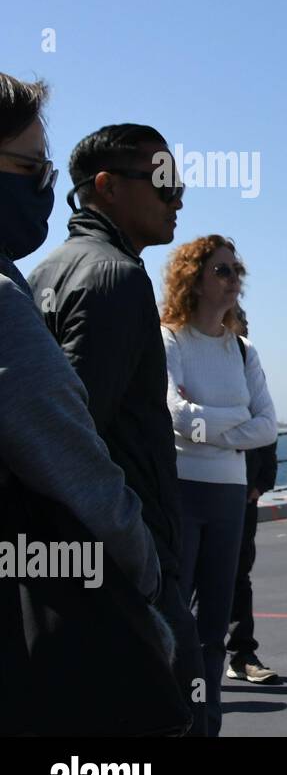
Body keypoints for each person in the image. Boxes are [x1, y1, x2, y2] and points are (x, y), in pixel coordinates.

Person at [0, 74, 189, 735]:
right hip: (99, 570)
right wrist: (146, 574)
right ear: (108, 186)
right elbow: (75, 445)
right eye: (163, 182)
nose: (177, 199)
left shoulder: (42, 272)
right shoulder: (113, 278)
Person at [161, 236, 278, 734]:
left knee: (213, 621)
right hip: (183, 489)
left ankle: (208, 721)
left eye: (236, 270)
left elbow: (268, 426)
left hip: (229, 493)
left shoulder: (243, 350)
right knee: (174, 616)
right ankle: (171, 718)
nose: (233, 280)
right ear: (195, 278)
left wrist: (211, 422)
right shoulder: (170, 339)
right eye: (222, 271)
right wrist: (236, 421)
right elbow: (174, 414)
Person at [226, 306, 281, 683]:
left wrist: (261, 482)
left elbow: (266, 424)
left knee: (237, 575)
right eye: (242, 319)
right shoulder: (180, 349)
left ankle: (241, 653)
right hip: (200, 487)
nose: (246, 327)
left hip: (242, 492)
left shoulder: (247, 357)